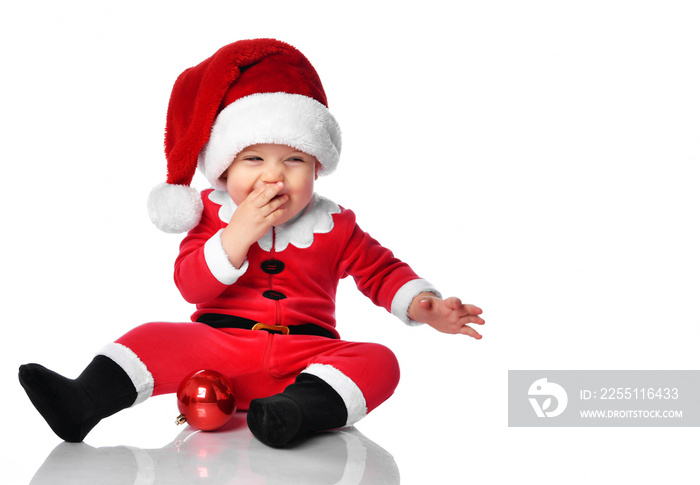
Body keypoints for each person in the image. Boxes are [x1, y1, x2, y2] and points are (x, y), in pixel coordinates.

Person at [18, 38, 485, 448]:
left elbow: (381, 272)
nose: (273, 175)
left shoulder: (336, 223)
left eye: (295, 159)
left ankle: (296, 412)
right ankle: (81, 402)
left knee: (380, 361)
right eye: (254, 158)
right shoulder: (212, 213)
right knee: (151, 336)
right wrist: (236, 234)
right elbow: (191, 287)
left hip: (308, 357)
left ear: (318, 167)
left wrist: (423, 303)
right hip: (218, 349)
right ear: (222, 169)